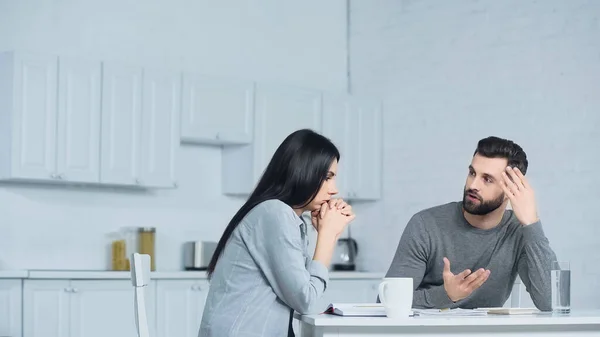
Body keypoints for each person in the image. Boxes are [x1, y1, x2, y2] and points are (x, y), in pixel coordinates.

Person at [199, 129, 356, 337]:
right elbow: (305, 300)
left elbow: (302, 286)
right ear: (302, 171)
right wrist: (327, 236)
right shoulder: (275, 213)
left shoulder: (287, 217)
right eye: (327, 177)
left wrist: (326, 233)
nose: (334, 189)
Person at [383, 136, 557, 311]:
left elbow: (551, 302)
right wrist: (446, 294)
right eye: (472, 173)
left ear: (510, 190)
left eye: (487, 179)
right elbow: (388, 302)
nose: (473, 185)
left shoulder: (518, 231)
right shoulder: (425, 225)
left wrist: (531, 223)